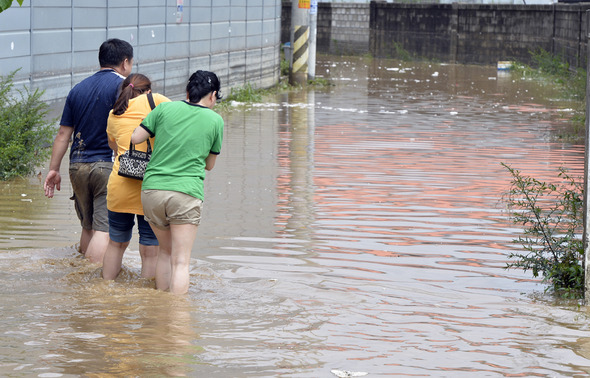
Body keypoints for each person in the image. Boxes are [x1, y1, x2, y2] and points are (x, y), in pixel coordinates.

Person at [130, 70, 223, 294]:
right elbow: (209, 165)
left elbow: (135, 138)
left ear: (188, 91)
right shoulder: (215, 120)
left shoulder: (164, 109)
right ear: (213, 95)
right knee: (181, 261)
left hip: (152, 191)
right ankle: (177, 318)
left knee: (165, 251)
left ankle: (161, 308)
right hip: (185, 193)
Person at [44, 38, 134, 264]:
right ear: (125, 62)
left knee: (88, 227)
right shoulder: (125, 87)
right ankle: (90, 286)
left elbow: (63, 135)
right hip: (106, 165)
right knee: (104, 231)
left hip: (77, 166)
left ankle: (81, 272)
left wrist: (53, 170)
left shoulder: (77, 89)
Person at [102, 74, 171, 281]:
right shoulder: (156, 101)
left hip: (119, 185)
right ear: (147, 90)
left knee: (116, 243)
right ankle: (146, 300)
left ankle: (106, 289)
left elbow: (113, 145)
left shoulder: (114, 113)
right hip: (149, 185)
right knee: (150, 248)